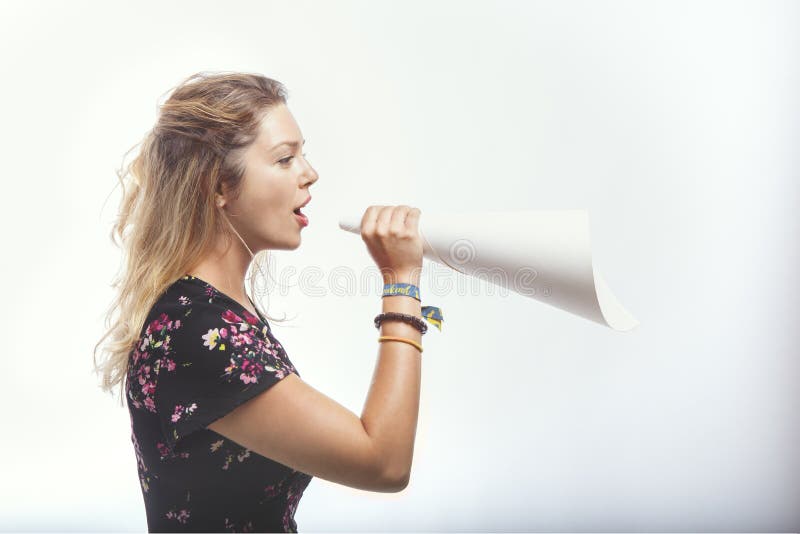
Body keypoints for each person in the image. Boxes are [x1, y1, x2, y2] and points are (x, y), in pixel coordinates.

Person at [92, 71, 428, 532]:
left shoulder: (215, 311)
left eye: (302, 155)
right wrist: (401, 281)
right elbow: (384, 463)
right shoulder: (196, 332)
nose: (310, 173)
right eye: (286, 159)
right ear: (219, 187)